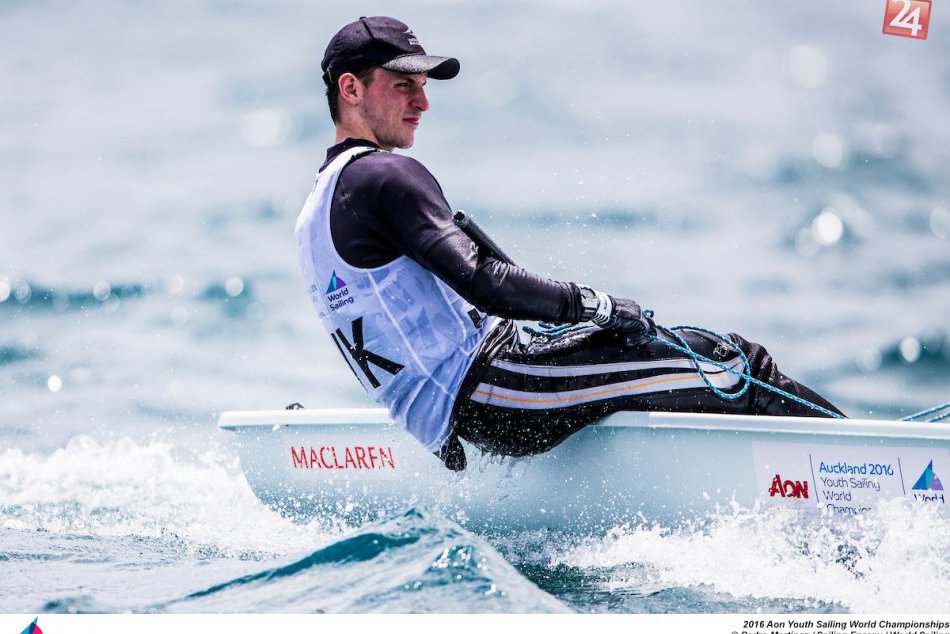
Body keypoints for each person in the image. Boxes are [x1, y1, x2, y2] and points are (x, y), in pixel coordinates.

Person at [295, 16, 845, 471]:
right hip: (502, 391)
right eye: (403, 85)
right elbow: (485, 283)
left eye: (423, 86)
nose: (423, 102)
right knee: (731, 363)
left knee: (663, 365)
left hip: (464, 418)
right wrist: (595, 305)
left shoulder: (316, 209)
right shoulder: (387, 176)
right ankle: (865, 469)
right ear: (351, 88)